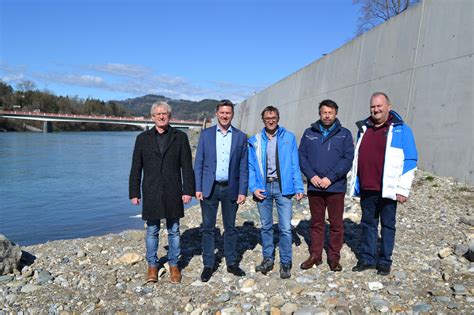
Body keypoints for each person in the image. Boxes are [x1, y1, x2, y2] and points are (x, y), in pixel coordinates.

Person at [349, 92, 417, 276]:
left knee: (388, 225)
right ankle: (368, 259)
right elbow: (357, 157)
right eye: (373, 106)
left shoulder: (401, 129)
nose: (376, 110)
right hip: (367, 186)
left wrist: (403, 189)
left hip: (389, 188)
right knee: (368, 224)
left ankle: (385, 261)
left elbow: (410, 160)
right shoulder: (363, 129)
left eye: (379, 106)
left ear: (389, 106)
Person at [129, 101, 195, 284]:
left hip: (173, 189)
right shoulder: (142, 138)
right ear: (152, 117)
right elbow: (136, 168)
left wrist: (187, 190)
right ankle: (152, 266)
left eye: (164, 113)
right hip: (151, 190)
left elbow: (187, 167)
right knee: (152, 230)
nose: (161, 116)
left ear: (169, 116)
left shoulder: (180, 137)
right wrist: (134, 192)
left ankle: (174, 265)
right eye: (157, 114)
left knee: (174, 230)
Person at [194, 99, 248, 282]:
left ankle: (232, 263)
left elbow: (243, 166)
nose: (225, 116)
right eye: (222, 113)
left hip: (231, 188)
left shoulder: (240, 137)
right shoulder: (206, 134)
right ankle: (208, 264)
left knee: (230, 227)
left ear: (232, 115)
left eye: (228, 113)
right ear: (217, 114)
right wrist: (198, 187)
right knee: (208, 228)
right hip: (210, 187)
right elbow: (199, 162)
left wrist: (243, 190)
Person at [248, 106, 304, 279]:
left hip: (283, 187)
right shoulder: (255, 141)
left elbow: (295, 163)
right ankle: (268, 259)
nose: (270, 121)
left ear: (278, 118)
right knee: (265, 226)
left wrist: (299, 187)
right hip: (263, 187)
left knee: (286, 228)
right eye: (267, 118)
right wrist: (253, 187)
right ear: (263, 120)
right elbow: (250, 166)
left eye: (273, 117)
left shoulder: (289, 137)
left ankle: (285, 262)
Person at [298, 100, 354, 272]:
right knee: (316, 223)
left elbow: (347, 159)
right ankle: (315, 255)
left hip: (335, 187)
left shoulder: (344, 134)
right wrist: (312, 176)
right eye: (324, 112)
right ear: (319, 114)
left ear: (336, 114)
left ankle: (334, 257)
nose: (327, 115)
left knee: (336, 224)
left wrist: (330, 178)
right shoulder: (309, 133)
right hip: (315, 187)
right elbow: (301, 156)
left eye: (330, 112)